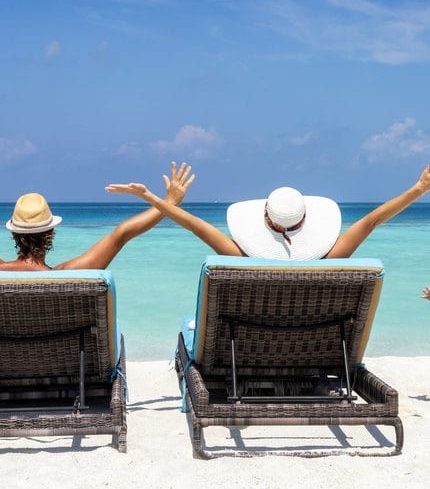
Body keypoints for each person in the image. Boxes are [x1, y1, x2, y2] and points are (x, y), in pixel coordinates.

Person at [106, 164, 430, 261]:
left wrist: (154, 197)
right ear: (307, 221)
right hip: (317, 353)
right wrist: (417, 190)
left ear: (263, 220)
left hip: (244, 357)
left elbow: (195, 226)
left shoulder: (242, 258)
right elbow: (371, 221)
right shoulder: (330, 262)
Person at [0, 162, 195, 271]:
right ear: (51, 232)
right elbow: (122, 234)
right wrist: (169, 203)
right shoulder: (66, 276)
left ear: (14, 234)